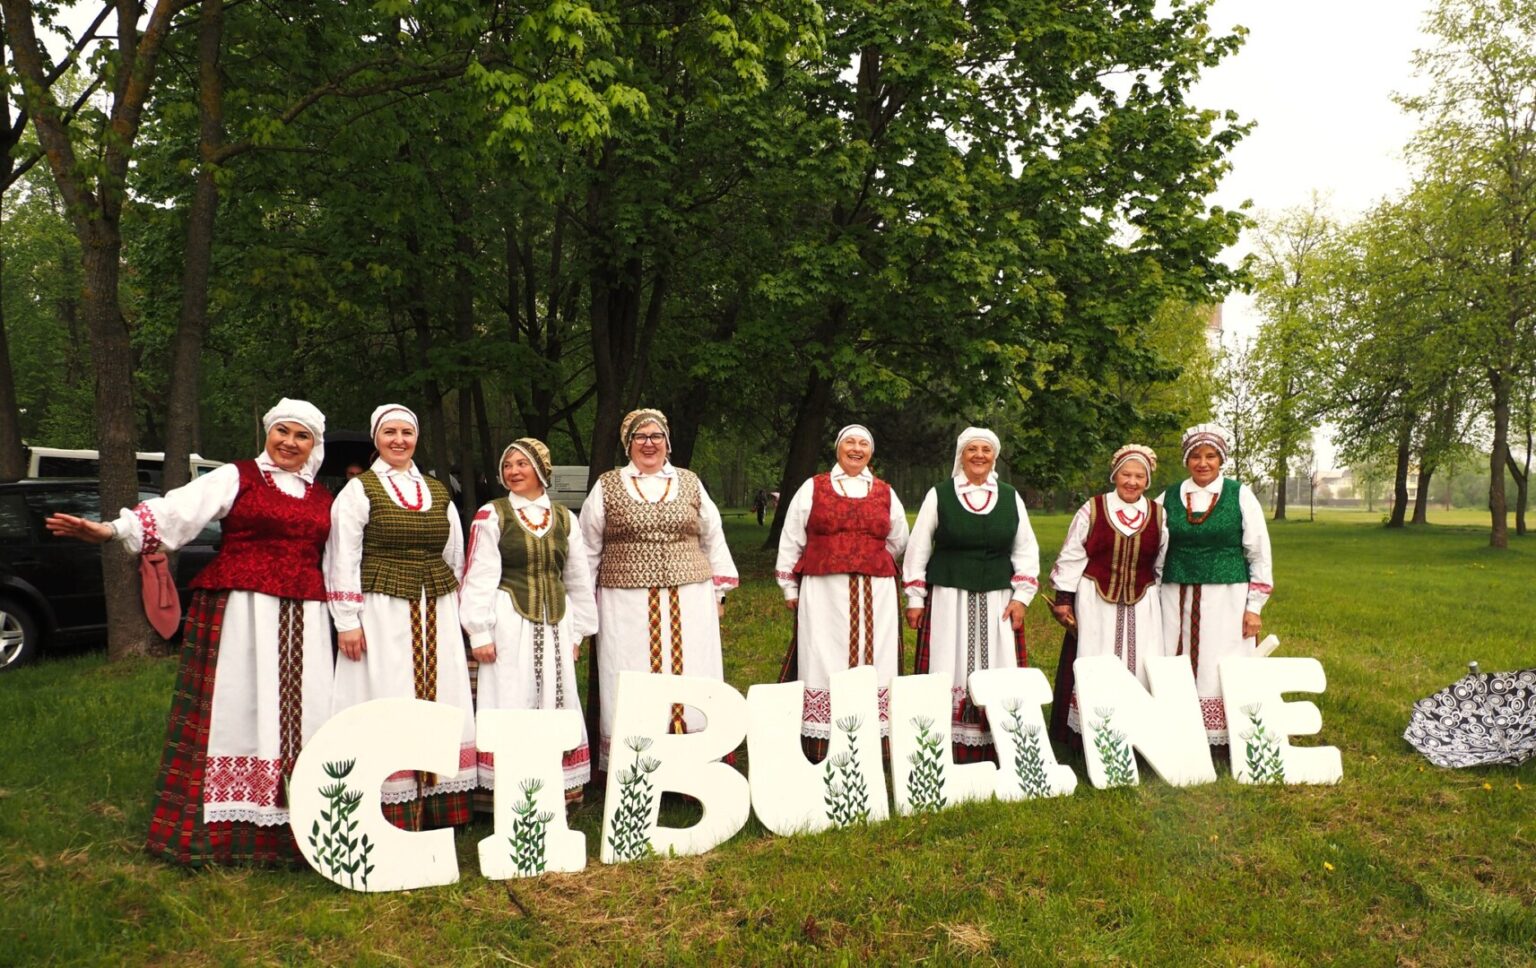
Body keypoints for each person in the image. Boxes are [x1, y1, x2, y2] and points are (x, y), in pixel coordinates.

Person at [46, 400, 335, 867]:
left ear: (314, 446)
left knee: (303, 709)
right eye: (282, 431)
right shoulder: (237, 477)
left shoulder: (323, 498)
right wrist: (111, 529)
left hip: (306, 618)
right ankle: (220, 833)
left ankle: (303, 827)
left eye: (302, 436)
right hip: (241, 609)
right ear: (267, 432)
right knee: (236, 704)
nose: (289, 442)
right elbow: (179, 509)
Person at [326, 403, 476, 828]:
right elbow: (343, 557)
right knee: (390, 687)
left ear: (416, 438)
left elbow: (454, 554)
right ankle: (389, 801)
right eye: (389, 432)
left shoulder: (437, 490)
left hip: (435, 605)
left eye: (406, 433)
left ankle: (440, 801)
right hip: (382, 606)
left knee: (439, 691)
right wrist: (348, 621)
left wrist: (456, 609)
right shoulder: (359, 491)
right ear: (377, 439)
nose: (398, 440)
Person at [579, 408, 738, 771]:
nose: (648, 444)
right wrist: (585, 605)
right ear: (628, 444)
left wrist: (719, 593)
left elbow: (713, 536)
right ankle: (637, 762)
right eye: (640, 437)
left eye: (656, 436)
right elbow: (588, 549)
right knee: (631, 669)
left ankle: (695, 758)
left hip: (690, 596)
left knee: (693, 667)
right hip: (626, 602)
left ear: (667, 442)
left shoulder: (689, 481)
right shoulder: (607, 485)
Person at [459, 438, 598, 802]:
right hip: (508, 622)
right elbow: (479, 575)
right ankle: (508, 791)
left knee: (558, 695)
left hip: (556, 624)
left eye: (522, 464)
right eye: (508, 465)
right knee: (511, 692)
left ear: (541, 470)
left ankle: (558, 789)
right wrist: (479, 633)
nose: (513, 471)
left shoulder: (566, 519)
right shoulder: (494, 514)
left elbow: (578, 578)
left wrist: (578, 633)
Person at [902, 428, 1039, 763]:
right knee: (948, 658)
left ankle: (1001, 741)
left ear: (994, 456)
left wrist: (1021, 596)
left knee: (999, 660)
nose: (979, 455)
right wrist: (916, 599)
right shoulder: (940, 495)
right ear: (960, 456)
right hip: (950, 596)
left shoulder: (1009, 496)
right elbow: (918, 548)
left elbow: (1025, 548)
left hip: (997, 599)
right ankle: (941, 742)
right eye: (972, 450)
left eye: (986, 450)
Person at [774, 425, 909, 759]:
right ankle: (821, 744)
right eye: (850, 441)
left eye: (864, 443)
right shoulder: (813, 488)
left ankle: (875, 743)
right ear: (837, 448)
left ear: (871, 452)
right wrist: (789, 586)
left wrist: (867, 555)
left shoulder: (884, 492)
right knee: (822, 650)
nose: (856, 448)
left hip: (876, 592)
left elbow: (899, 539)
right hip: (824, 590)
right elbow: (792, 537)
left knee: (876, 652)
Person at [1156, 423, 1274, 746]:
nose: (1203, 463)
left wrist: (1254, 608)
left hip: (1227, 597)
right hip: (1175, 595)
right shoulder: (1168, 497)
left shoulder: (1239, 495)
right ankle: (1176, 730)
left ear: (1221, 460)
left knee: (1221, 660)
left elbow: (1259, 553)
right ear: (1186, 461)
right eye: (1195, 456)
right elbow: (1152, 544)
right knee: (1173, 656)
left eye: (1210, 456)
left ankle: (1223, 737)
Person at [1048, 444, 1168, 738]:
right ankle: (1090, 732)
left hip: (1142, 603)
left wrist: (1160, 599)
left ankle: (1138, 731)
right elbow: (1072, 555)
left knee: (1141, 661)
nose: (1132, 481)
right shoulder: (1093, 508)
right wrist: (1064, 599)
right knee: (1095, 658)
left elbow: (1162, 562)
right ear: (1115, 475)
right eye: (1126, 474)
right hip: (1096, 600)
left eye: (1139, 476)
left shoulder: (1158, 515)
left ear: (1147, 480)